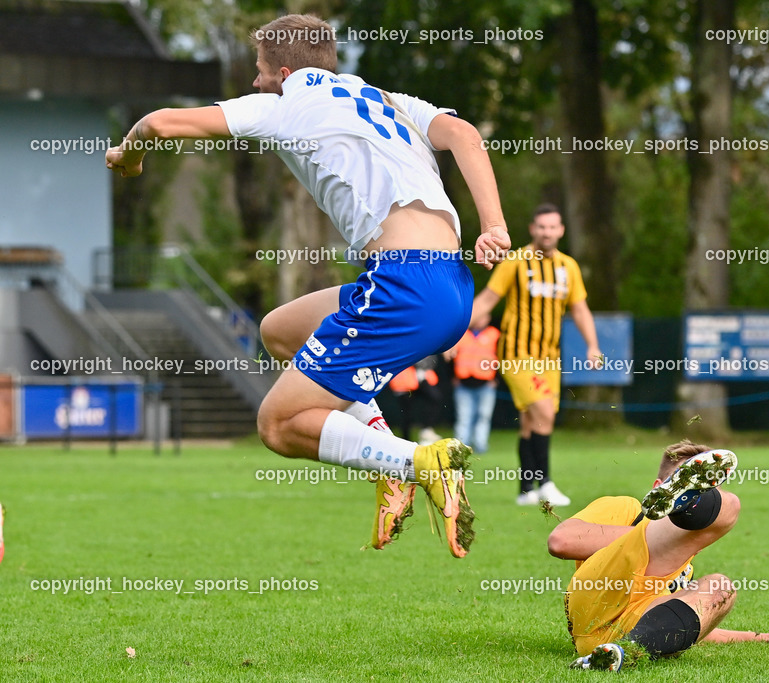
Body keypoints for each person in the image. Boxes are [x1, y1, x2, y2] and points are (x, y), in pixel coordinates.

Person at [105, 13, 511, 558]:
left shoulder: (283, 103)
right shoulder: (382, 97)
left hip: (404, 285)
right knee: (280, 331)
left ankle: (418, 462)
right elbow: (462, 134)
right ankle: (389, 462)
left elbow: (158, 123)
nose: (254, 82)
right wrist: (494, 226)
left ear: (286, 70)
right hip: (448, 283)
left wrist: (127, 155)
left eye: (259, 70)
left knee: (276, 425)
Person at [547, 441, 769, 672]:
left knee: (721, 588)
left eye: (704, 490)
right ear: (658, 487)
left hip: (613, 636)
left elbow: (682, 627)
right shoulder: (623, 507)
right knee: (731, 504)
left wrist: (766, 638)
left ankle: (621, 654)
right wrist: (646, 531)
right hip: (596, 600)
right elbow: (561, 541)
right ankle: (685, 504)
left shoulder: (682, 565)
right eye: (689, 484)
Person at [470, 204, 601, 506]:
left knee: (532, 422)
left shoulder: (569, 267)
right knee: (544, 412)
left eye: (552, 227)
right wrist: (456, 334)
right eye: (541, 227)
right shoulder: (516, 261)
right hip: (517, 355)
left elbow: (580, 309)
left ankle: (525, 490)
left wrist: (592, 345)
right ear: (532, 229)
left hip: (549, 358)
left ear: (561, 230)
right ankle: (546, 483)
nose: (547, 232)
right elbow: (488, 299)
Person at [444, 317, 500, 453]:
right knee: (463, 416)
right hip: (463, 383)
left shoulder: (494, 334)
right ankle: (461, 446)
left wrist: (497, 379)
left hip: (486, 383)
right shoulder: (461, 334)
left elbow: (501, 356)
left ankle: (480, 445)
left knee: (484, 416)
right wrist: (453, 377)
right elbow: (450, 357)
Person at [388, 355, 444, 444]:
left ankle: (426, 429)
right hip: (405, 378)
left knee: (435, 398)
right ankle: (405, 442)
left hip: (421, 376)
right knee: (406, 414)